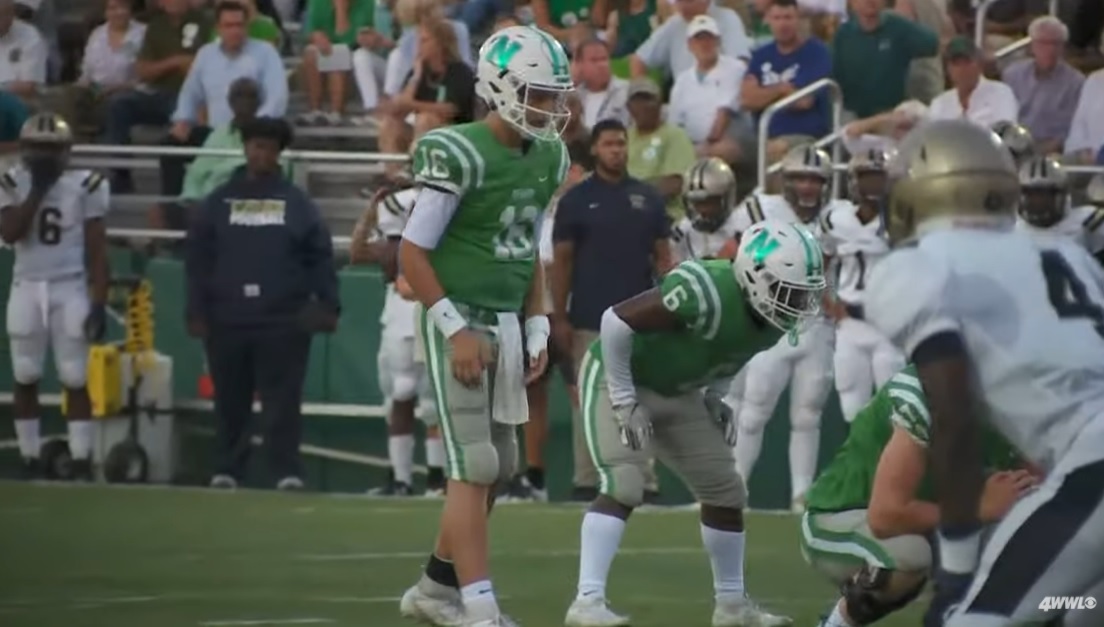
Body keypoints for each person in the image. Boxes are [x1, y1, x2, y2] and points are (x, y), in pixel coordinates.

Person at [861, 119, 1104, 625]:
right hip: (1086, 459)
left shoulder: (916, 266)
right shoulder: (1070, 255)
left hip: (1094, 462)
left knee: (972, 618)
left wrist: (956, 563)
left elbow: (952, 413)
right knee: (1079, 609)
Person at [396, 25, 572, 627]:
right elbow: (411, 256)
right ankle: (481, 607)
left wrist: (540, 324)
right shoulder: (458, 150)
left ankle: (435, 589)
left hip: (507, 317)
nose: (548, 107)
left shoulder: (550, 154)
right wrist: (452, 328)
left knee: (500, 467)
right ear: (499, 88)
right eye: (538, 94)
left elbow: (526, 252)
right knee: (475, 463)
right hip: (461, 317)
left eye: (553, 95)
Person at [564, 219, 817, 627]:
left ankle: (732, 607)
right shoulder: (707, 290)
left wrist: (716, 392)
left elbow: (731, 350)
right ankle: (587, 602)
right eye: (792, 292)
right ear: (755, 276)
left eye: (804, 294)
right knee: (625, 483)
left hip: (679, 391)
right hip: (623, 375)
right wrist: (625, 398)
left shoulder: (769, 317)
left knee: (725, 490)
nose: (799, 304)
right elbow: (616, 322)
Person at [801, 365, 1035, 627]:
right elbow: (886, 515)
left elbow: (1040, 485)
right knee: (909, 556)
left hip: (930, 523)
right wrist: (975, 509)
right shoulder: (927, 392)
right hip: (841, 517)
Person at [184, 116, 340, 491]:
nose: (262, 154)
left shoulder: (297, 203)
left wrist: (329, 304)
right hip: (227, 317)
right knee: (229, 400)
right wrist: (196, 309)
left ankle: (285, 471)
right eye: (256, 145)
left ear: (279, 155)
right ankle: (227, 469)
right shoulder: (218, 202)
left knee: (282, 402)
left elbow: (319, 255)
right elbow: (198, 259)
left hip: (283, 319)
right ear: (245, 148)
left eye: (269, 148)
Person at [550, 118, 671, 503]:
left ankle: (644, 480)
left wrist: (671, 305)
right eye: (608, 144)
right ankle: (588, 480)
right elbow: (562, 262)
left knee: (638, 400)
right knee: (591, 403)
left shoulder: (648, 198)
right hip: (589, 316)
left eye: (621, 143)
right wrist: (559, 316)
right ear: (595, 150)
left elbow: (664, 259)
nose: (616, 150)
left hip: (641, 318)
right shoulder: (575, 201)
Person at [728, 144, 841, 512]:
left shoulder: (838, 216)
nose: (809, 187)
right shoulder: (760, 208)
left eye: (816, 180)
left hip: (816, 325)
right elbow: (732, 252)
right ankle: (734, 489)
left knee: (808, 414)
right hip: (770, 324)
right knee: (753, 409)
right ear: (785, 180)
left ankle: (800, 496)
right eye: (800, 179)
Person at [0, 112, 109, 480]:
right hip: (27, 283)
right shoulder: (11, 180)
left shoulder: (87, 184)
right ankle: (29, 457)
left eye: (52, 149)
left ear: (66, 150)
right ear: (25, 149)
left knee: (75, 375)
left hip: (69, 284)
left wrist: (98, 302)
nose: (45, 156)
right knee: (26, 373)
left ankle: (81, 460)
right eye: (38, 148)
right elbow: (11, 232)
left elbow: (97, 250)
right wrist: (38, 190)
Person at [349, 182, 446, 497]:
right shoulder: (395, 243)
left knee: (436, 402)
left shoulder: (451, 233)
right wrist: (370, 212)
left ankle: (437, 479)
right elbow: (358, 252)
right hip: (402, 317)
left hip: (437, 316)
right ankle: (402, 480)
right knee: (400, 395)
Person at [820, 148, 904, 422]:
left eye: (879, 178)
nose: (873, 186)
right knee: (852, 411)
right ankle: (863, 466)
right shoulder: (836, 218)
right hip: (850, 324)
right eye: (867, 178)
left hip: (889, 326)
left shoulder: (905, 221)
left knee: (896, 412)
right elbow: (820, 260)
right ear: (854, 181)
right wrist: (827, 301)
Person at [1014, 155, 1104, 259]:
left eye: (1043, 195)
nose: (1037, 202)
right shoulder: (1011, 226)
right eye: (1031, 195)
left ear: (1062, 195)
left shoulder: (1088, 221)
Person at [670, 156, 743, 261]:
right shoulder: (682, 231)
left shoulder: (745, 224)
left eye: (709, 202)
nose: (703, 210)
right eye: (697, 203)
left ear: (727, 198)